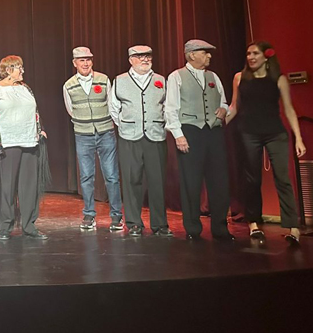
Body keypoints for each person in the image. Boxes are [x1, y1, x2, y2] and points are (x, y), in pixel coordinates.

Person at [227, 41, 307, 244]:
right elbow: (234, 106)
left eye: (255, 53)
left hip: (275, 132)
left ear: (266, 56)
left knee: (283, 179)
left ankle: (293, 227)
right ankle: (254, 223)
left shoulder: (278, 79)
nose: (251, 57)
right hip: (248, 133)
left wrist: (298, 137)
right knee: (252, 179)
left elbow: (288, 109)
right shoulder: (239, 78)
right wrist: (217, 125)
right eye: (248, 54)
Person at [165, 39, 233, 241]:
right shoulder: (177, 77)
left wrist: (224, 109)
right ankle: (193, 229)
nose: (209, 56)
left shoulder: (213, 76)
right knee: (191, 182)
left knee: (219, 181)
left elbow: (222, 100)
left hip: (213, 132)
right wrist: (179, 136)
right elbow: (171, 108)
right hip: (190, 132)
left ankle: (220, 228)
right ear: (192, 54)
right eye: (205, 52)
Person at [0, 56, 50, 240]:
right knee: (7, 186)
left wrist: (40, 129)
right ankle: (5, 226)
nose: (22, 71)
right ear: (8, 69)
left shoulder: (25, 88)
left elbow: (34, 112)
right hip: (8, 143)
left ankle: (29, 225)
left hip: (29, 141)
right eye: (19, 67)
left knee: (29, 186)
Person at [109, 46, 172, 237]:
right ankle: (134, 223)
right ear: (131, 60)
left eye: (148, 56)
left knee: (157, 181)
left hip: (155, 136)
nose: (145, 59)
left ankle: (160, 224)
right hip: (130, 137)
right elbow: (113, 107)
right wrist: (126, 124)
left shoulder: (160, 80)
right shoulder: (120, 80)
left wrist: (163, 125)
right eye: (139, 56)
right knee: (131, 180)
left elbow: (168, 106)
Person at [63, 47, 124, 231]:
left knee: (112, 176)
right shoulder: (69, 85)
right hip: (83, 135)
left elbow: (111, 104)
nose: (85, 63)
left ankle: (116, 216)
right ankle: (89, 215)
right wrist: (84, 122)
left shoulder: (103, 79)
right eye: (81, 60)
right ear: (75, 63)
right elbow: (70, 109)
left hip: (105, 132)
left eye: (88, 59)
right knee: (86, 177)